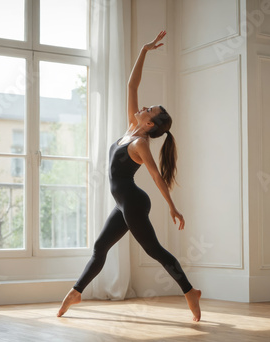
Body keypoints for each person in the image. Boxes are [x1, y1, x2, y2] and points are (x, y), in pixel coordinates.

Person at [57, 31, 202, 322]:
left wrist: (172, 207)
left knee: (154, 250)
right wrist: (145, 50)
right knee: (100, 247)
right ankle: (76, 292)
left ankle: (189, 291)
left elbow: (156, 176)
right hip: (123, 203)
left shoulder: (140, 144)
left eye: (150, 110)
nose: (144, 107)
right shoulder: (130, 129)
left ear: (150, 124)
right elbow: (131, 84)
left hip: (134, 202)